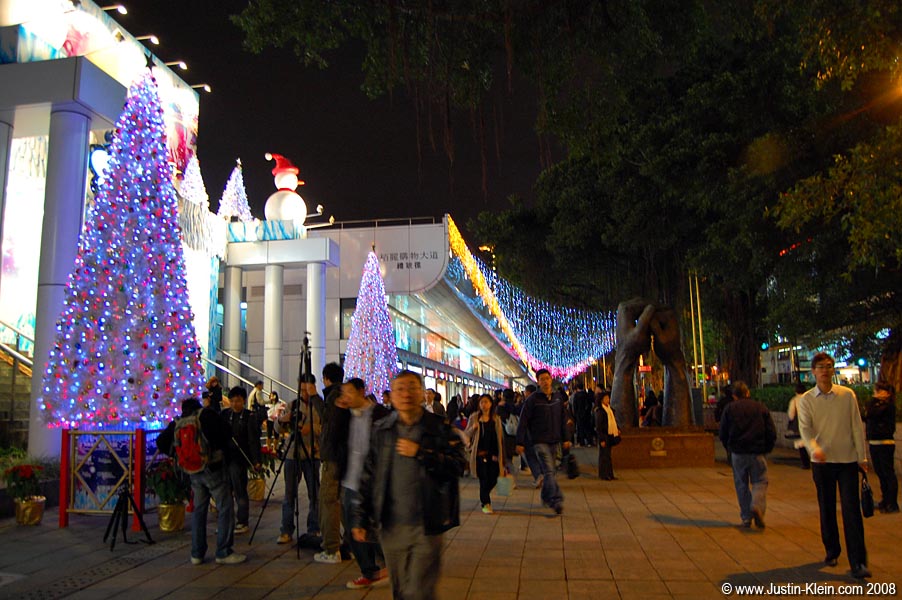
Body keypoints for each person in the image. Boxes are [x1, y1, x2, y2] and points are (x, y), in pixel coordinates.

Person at [351, 370, 466, 600]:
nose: (406, 394)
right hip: (391, 526)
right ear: (391, 396)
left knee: (419, 590)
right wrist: (360, 518)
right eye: (399, 389)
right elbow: (368, 475)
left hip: (427, 523)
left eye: (412, 388)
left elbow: (458, 465)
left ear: (422, 393)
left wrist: (422, 453)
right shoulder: (382, 429)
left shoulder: (438, 427)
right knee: (401, 590)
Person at [798, 352, 870, 579]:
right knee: (826, 507)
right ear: (813, 372)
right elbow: (806, 430)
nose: (825, 371)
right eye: (820, 367)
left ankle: (858, 561)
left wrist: (862, 457)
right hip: (822, 463)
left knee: (852, 511)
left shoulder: (847, 395)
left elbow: (857, 426)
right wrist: (814, 449)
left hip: (847, 460)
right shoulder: (807, 400)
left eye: (829, 366)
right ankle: (832, 550)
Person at [157, 398, 245, 565]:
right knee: (225, 507)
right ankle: (223, 551)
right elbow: (227, 432)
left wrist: (179, 455)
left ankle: (197, 554)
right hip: (213, 469)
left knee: (199, 510)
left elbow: (161, 442)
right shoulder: (207, 415)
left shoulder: (178, 421)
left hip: (192, 472)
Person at [338, 378, 391, 589]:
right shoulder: (345, 417)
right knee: (353, 530)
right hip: (350, 482)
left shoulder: (380, 415)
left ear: (361, 392)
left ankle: (392, 564)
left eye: (349, 392)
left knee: (379, 528)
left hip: (373, 483)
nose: (346, 397)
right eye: (344, 393)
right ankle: (369, 571)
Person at [718, 381, 776, 528]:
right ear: (748, 393)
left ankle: (746, 516)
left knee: (741, 484)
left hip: (738, 451)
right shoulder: (760, 407)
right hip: (757, 451)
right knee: (760, 481)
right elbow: (771, 430)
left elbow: (723, 432)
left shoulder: (730, 409)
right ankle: (756, 505)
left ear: (734, 396)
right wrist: (767, 447)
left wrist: (729, 447)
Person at [275, 374, 324, 545]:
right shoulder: (292, 404)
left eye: (306, 389)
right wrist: (282, 420)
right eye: (301, 389)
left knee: (315, 494)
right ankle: (286, 530)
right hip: (292, 454)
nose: (303, 393)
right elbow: (278, 428)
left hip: (312, 454)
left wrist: (311, 429)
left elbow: (326, 427)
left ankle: (314, 527)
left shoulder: (319, 405)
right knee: (289, 494)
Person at [516, 369, 571, 515]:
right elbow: (523, 421)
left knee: (550, 472)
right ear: (538, 382)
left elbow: (562, 420)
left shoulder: (557, 398)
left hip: (554, 440)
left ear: (551, 379)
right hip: (539, 441)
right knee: (549, 470)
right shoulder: (532, 400)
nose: (545, 381)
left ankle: (546, 496)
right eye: (542, 379)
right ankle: (556, 500)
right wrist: (519, 442)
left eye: (547, 378)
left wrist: (566, 438)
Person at [316, 362, 347, 564]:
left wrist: (314, 398)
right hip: (342, 457)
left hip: (333, 458)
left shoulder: (334, 397)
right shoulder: (342, 395)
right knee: (341, 503)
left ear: (326, 378)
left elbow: (330, 424)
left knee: (329, 502)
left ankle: (331, 548)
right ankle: (352, 546)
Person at [222, 386, 261, 534]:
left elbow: (253, 440)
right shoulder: (225, 415)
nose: (234, 404)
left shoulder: (249, 417)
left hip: (240, 459)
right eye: (231, 401)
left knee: (240, 490)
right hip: (227, 458)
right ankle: (227, 521)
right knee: (226, 491)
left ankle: (242, 520)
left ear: (243, 401)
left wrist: (256, 460)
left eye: (237, 401)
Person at [466, 393, 505, 514]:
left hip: (493, 454)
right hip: (479, 454)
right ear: (479, 404)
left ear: (491, 404)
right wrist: (473, 428)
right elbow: (466, 435)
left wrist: (500, 455)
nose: (484, 405)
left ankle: (484, 495)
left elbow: (500, 438)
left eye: (486, 402)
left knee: (493, 478)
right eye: (481, 402)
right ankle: (486, 503)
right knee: (483, 479)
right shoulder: (474, 417)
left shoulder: (496, 419)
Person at [865, 382, 898, 513]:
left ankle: (892, 503)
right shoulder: (875, 404)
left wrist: (875, 400)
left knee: (888, 473)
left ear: (887, 393)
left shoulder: (888, 406)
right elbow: (867, 415)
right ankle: (885, 499)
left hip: (885, 443)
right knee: (880, 473)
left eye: (879, 390)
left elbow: (872, 414)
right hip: (874, 442)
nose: (876, 392)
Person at [594, 390, 619, 481]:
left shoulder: (610, 410)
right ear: (601, 400)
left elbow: (613, 422)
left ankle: (610, 473)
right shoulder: (600, 411)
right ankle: (603, 474)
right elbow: (599, 427)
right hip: (604, 435)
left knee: (608, 455)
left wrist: (617, 429)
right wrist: (601, 439)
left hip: (611, 434)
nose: (608, 400)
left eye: (608, 398)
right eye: (606, 398)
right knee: (604, 455)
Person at [786, 382, 811, 469]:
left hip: (800, 424)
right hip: (811, 424)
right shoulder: (810, 398)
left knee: (801, 444)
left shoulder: (795, 400)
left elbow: (791, 414)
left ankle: (805, 464)